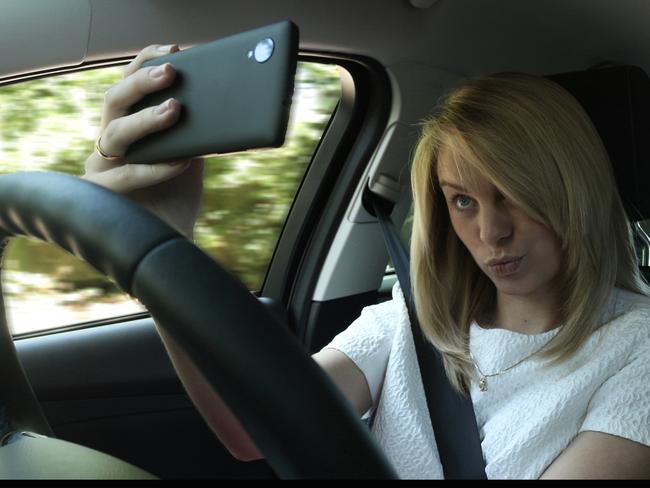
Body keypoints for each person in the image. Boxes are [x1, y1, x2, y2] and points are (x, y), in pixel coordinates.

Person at [83, 45, 650, 479]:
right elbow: (250, 429)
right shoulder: (411, 320)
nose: (490, 231)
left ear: (572, 191)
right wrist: (160, 247)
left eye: (513, 194)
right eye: (463, 200)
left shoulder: (637, 349)